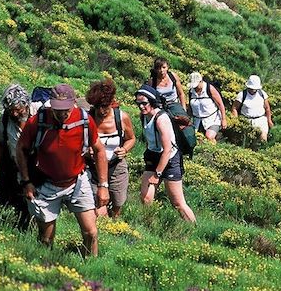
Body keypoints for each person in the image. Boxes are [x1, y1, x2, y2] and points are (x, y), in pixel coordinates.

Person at [16, 84, 109, 257]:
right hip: (46, 185)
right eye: (57, 109)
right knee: (46, 239)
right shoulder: (38, 121)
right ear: (51, 104)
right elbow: (21, 148)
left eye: (66, 109)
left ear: (73, 102)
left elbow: (99, 150)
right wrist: (26, 181)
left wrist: (103, 185)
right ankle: (47, 266)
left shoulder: (84, 121)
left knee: (91, 233)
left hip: (77, 182)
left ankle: (91, 268)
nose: (62, 113)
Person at [135, 84, 196, 222]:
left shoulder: (161, 119)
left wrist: (157, 174)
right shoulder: (144, 116)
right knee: (146, 198)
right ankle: (150, 225)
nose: (141, 106)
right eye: (138, 103)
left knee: (178, 203)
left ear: (151, 101)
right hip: (153, 155)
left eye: (144, 103)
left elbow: (167, 149)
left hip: (169, 159)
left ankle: (194, 229)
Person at [85, 78, 136, 218]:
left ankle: (115, 225)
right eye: (98, 107)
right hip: (93, 168)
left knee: (117, 203)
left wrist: (124, 149)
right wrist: (86, 152)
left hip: (116, 167)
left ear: (111, 103)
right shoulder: (87, 119)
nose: (102, 111)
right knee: (98, 207)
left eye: (105, 107)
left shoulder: (122, 118)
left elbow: (131, 139)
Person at [0, 83, 32, 230]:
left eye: (18, 110)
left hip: (41, 171)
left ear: (26, 104)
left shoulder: (40, 114)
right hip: (18, 171)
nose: (14, 114)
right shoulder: (6, 119)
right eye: (11, 110)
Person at [187, 72, 227, 144]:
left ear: (201, 81)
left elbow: (220, 104)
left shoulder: (209, 88)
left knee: (209, 136)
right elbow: (190, 107)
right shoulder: (191, 91)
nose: (195, 87)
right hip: (197, 121)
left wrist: (224, 119)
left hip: (212, 119)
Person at [231, 74, 273, 141]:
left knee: (263, 138)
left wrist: (269, 120)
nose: (252, 90)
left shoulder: (262, 94)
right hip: (247, 120)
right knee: (247, 140)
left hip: (261, 120)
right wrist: (236, 121)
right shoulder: (242, 95)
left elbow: (267, 108)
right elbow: (235, 108)